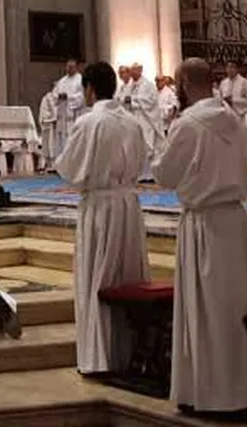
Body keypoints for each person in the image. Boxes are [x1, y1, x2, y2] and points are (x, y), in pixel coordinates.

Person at [153, 58, 247, 416]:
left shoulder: (187, 124)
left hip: (203, 224)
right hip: (235, 221)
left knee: (208, 310)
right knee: (236, 305)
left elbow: (164, 175)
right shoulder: (234, 120)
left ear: (185, 84)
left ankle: (212, 393)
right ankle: (243, 388)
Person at [53, 61, 150, 374]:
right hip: (129, 206)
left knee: (98, 276)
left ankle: (99, 357)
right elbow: (143, 161)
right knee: (127, 274)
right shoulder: (132, 123)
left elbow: (69, 168)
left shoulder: (89, 122)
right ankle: (130, 351)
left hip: (99, 208)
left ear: (90, 90)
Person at [126, 64, 165, 182]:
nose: (131, 73)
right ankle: (139, 174)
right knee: (136, 146)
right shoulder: (129, 85)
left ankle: (150, 175)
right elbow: (124, 98)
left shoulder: (148, 85)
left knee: (147, 145)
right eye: (131, 71)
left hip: (145, 119)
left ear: (140, 71)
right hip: (133, 118)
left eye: (134, 71)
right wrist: (129, 101)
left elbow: (150, 102)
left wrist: (135, 100)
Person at [43, 59, 86, 164]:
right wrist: (59, 97)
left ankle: (73, 162)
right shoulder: (62, 81)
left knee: (72, 138)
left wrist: (68, 97)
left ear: (76, 67)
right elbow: (54, 95)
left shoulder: (80, 80)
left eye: (71, 67)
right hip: (62, 116)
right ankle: (61, 163)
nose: (69, 69)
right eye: (68, 67)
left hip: (73, 116)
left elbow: (82, 96)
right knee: (61, 139)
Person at [218, 62, 247, 133]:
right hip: (227, 116)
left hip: (241, 115)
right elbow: (220, 99)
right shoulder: (223, 83)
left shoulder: (244, 82)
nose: (230, 70)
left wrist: (233, 100)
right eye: (228, 67)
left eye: (232, 67)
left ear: (237, 69)